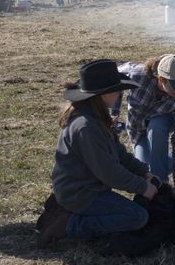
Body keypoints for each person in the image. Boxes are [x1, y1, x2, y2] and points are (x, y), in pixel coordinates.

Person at [37, 60, 159, 247]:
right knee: (136, 217)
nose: (120, 94)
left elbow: (120, 155)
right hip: (80, 193)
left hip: (88, 189)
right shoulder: (87, 127)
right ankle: (69, 225)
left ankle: (70, 212)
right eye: (118, 90)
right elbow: (109, 172)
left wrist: (144, 173)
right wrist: (143, 187)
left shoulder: (97, 118)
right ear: (106, 94)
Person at [116, 54, 175, 184]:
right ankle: (163, 167)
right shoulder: (138, 75)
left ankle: (161, 185)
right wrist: (113, 113)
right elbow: (112, 79)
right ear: (160, 79)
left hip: (162, 122)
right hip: (138, 130)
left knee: (156, 127)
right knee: (144, 171)